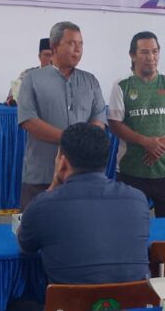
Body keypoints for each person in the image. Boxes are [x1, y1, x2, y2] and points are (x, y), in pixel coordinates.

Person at [17, 123, 150, 284]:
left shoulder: (43, 206)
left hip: (71, 300)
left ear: (62, 162)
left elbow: (25, 246)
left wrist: (53, 185)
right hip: (133, 299)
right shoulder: (137, 200)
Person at [17, 22, 106, 209]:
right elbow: (29, 121)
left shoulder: (90, 81)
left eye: (81, 44)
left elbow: (99, 118)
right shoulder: (32, 79)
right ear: (54, 46)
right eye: (72, 43)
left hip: (82, 175)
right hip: (42, 174)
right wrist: (73, 140)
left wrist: (82, 143)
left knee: (78, 224)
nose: (78, 49)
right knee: (36, 223)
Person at [107, 31, 165, 218]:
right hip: (131, 169)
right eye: (144, 52)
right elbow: (114, 124)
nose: (151, 57)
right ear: (132, 55)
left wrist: (162, 144)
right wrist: (145, 142)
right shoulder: (122, 85)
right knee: (130, 224)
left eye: (155, 51)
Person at [5, 38, 52, 105]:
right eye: (47, 55)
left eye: (53, 55)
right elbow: (11, 98)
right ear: (39, 57)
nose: (51, 59)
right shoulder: (27, 74)